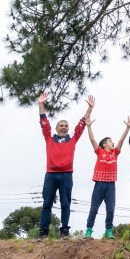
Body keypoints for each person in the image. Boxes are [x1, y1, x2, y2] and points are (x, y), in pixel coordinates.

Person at [37, 92, 91, 240]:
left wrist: (90, 108)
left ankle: (65, 231)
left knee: (65, 203)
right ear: (56, 128)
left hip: (67, 174)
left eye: (66, 126)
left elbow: (82, 124)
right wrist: (41, 105)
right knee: (47, 203)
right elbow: (44, 122)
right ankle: (43, 232)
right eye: (61, 125)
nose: (64, 127)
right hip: (51, 174)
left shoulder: (72, 138)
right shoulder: (49, 137)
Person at [83, 115, 130, 239]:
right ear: (104, 144)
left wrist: (128, 127)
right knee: (94, 208)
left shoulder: (115, 153)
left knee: (111, 209)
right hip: (99, 183)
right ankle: (89, 230)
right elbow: (92, 139)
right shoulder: (99, 151)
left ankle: (109, 230)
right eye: (110, 141)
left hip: (111, 184)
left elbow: (121, 140)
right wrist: (89, 126)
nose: (113, 142)